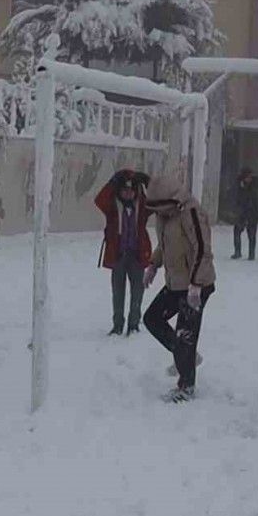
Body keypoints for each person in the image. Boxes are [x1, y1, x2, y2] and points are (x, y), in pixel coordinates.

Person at [141, 173, 216, 403]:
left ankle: (186, 386)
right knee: (152, 318)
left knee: (186, 334)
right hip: (175, 282)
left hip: (197, 284)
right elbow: (165, 245)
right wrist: (153, 264)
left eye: (160, 208)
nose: (158, 213)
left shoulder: (191, 212)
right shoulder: (165, 216)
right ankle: (184, 356)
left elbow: (202, 249)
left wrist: (196, 284)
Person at [94, 169, 152, 336]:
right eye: (124, 190)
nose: (128, 193)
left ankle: (134, 324)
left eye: (131, 190)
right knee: (117, 292)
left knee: (137, 292)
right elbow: (100, 200)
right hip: (118, 255)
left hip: (137, 255)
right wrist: (113, 181)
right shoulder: (112, 206)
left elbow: (157, 200)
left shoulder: (142, 205)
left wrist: (149, 183)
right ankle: (117, 324)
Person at [231, 168, 258, 261]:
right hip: (242, 213)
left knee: (251, 234)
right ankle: (237, 252)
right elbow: (235, 197)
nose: (249, 178)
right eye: (247, 176)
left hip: (253, 213)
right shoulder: (239, 185)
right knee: (237, 231)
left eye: (250, 176)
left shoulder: (256, 186)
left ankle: (251, 254)